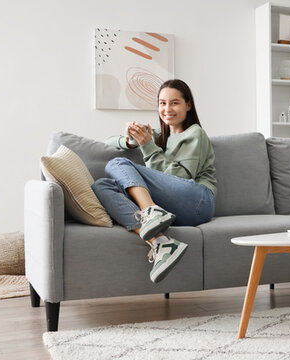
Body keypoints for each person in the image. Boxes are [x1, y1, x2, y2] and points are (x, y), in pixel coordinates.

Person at [91, 79, 217, 283]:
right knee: (101, 186)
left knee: (117, 164)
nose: (167, 109)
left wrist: (147, 146)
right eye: (162, 103)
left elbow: (182, 177)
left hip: (199, 202)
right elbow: (107, 141)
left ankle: (150, 211)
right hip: (174, 210)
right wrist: (131, 141)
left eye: (174, 103)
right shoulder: (161, 136)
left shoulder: (195, 134)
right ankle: (160, 242)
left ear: (188, 105)